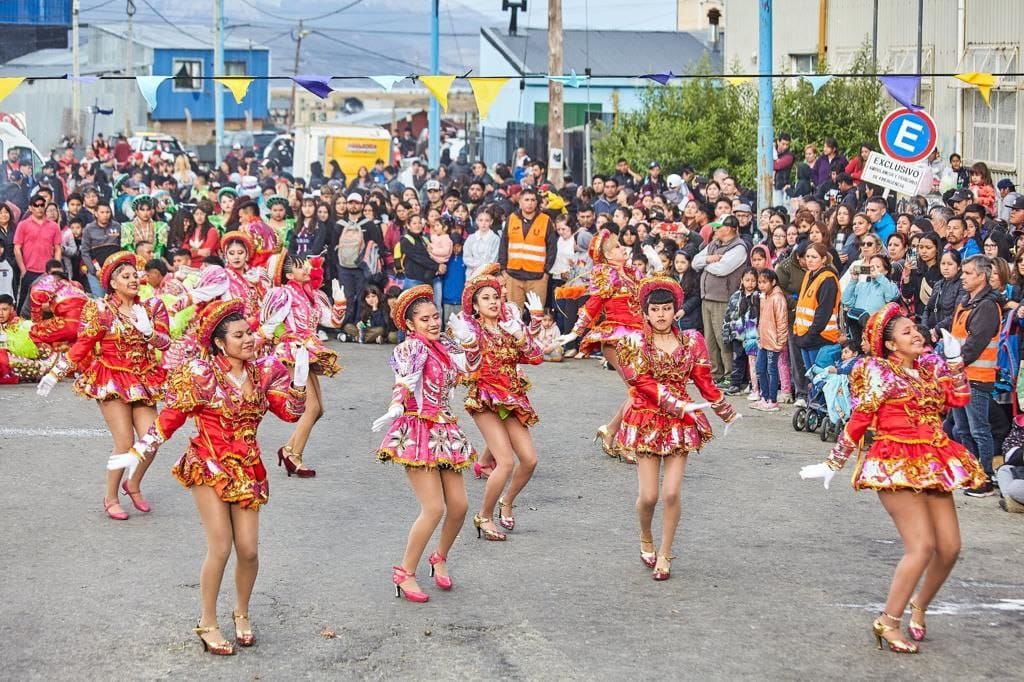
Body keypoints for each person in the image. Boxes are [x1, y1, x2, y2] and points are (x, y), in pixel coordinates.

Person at [113, 300, 307, 655]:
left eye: (249, 332)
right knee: (220, 546)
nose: (249, 339)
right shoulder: (201, 375)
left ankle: (242, 612)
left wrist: (297, 383)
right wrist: (140, 449)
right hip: (209, 463)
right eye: (239, 335)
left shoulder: (263, 371)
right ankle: (207, 622)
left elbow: (290, 414)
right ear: (220, 343)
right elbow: (170, 417)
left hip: (248, 467)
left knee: (248, 550)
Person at [800, 304, 986, 654]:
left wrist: (956, 362)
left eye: (915, 328)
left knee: (949, 548)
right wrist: (832, 463)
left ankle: (920, 605)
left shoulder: (930, 368)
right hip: (894, 460)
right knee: (921, 547)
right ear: (889, 345)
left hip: (933, 459)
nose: (916, 333)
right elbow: (859, 419)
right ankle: (888, 621)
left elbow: (959, 398)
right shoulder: (877, 371)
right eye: (905, 332)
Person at [614, 276, 739, 580]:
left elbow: (704, 382)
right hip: (646, 418)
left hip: (680, 423)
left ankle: (666, 554)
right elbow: (639, 382)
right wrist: (674, 402)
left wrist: (727, 412)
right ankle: (646, 536)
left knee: (671, 493)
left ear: (675, 311)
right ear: (645, 313)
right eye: (655, 309)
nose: (660, 314)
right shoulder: (634, 342)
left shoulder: (692, 341)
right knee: (649, 496)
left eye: (666, 308)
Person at [36, 251, 171, 520]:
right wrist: (55, 373)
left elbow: (166, 343)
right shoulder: (100, 310)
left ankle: (132, 484)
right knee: (124, 442)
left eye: (135, 274)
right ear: (112, 283)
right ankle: (110, 497)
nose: (133, 279)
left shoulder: (153, 308)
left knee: (152, 439)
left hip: (143, 377)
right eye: (126, 276)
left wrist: (149, 333)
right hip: (111, 377)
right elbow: (82, 346)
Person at [370, 285, 479, 602]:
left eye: (435, 316)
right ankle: (404, 572)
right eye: (424, 319)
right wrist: (396, 405)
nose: (433, 323)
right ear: (410, 324)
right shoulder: (410, 349)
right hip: (417, 429)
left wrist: (469, 340)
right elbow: (404, 380)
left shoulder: (444, 345)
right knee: (433, 508)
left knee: (459, 506)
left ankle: (440, 556)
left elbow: (470, 369)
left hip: (445, 430)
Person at [555, 230, 660, 461]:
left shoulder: (632, 273)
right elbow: (593, 304)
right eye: (616, 247)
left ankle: (611, 430)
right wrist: (574, 332)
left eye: (620, 245)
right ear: (608, 255)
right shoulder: (606, 274)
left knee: (642, 390)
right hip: (617, 338)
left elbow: (653, 292)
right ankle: (626, 443)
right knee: (639, 390)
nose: (622, 248)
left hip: (638, 337)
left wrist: (657, 264)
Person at [457, 270, 543, 542]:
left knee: (529, 460)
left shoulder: (510, 326)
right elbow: (466, 370)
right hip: (485, 399)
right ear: (475, 305)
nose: (493, 302)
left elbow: (536, 357)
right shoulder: (470, 331)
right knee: (505, 462)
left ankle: (507, 500)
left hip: (512, 398)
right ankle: (484, 515)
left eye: (496, 296)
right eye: (486, 298)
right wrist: (469, 346)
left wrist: (521, 333)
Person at [260, 254, 344, 478]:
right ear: (289, 275)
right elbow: (268, 325)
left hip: (309, 350)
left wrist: (340, 302)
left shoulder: (314, 296)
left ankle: (288, 450)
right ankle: (294, 455)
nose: (307, 269)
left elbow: (333, 322)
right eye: (300, 268)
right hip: (294, 351)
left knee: (319, 410)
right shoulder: (285, 294)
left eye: (306, 266)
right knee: (312, 408)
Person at [949, 255, 1002, 496]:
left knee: (979, 429)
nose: (963, 276)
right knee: (962, 428)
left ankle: (985, 478)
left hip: (977, 377)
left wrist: (955, 363)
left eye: (968, 273)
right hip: (961, 375)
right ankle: (970, 472)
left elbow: (975, 344)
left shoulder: (987, 306)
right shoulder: (967, 301)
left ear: (982, 276)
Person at [692, 216, 749, 384]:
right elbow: (695, 262)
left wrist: (705, 265)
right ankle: (715, 373)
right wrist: (709, 259)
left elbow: (723, 269)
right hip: (707, 297)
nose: (716, 230)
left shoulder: (739, 247)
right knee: (709, 338)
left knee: (723, 337)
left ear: (730, 228)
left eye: (719, 227)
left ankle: (730, 374)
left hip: (724, 299)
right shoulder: (714, 244)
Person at [498, 187, 557, 311]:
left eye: (533, 200)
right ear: (520, 201)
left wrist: (546, 273)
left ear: (537, 202)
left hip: (537, 277)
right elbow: (503, 244)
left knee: (537, 315)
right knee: (514, 315)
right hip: (513, 276)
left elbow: (552, 248)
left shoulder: (545, 220)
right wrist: (503, 270)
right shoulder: (511, 218)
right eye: (526, 200)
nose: (530, 203)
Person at [793, 242, 840, 368]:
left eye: (814, 257)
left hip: (820, 338)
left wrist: (809, 336)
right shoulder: (809, 274)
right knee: (811, 378)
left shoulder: (828, 279)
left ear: (823, 259)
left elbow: (823, 312)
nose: (810, 260)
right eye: (808, 257)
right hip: (805, 336)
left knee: (820, 380)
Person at [14, 195, 62, 314]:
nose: (40, 208)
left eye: (42, 205)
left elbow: (57, 248)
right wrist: (23, 269)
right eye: (36, 205)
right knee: (24, 302)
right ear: (30, 208)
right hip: (29, 270)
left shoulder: (54, 226)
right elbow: (17, 248)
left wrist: (57, 270)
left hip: (48, 272)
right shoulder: (23, 225)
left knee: (49, 302)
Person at [752, 269, 788, 412]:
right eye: (760, 282)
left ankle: (772, 400)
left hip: (774, 342)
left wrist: (780, 341)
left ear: (773, 282)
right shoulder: (764, 297)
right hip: (764, 340)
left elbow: (782, 321)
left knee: (771, 370)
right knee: (760, 369)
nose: (761, 285)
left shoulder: (778, 298)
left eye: (765, 282)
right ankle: (764, 397)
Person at [921, 250, 963, 344]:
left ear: (959, 266)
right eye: (943, 264)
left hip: (949, 336)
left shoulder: (962, 285)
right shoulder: (938, 284)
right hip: (932, 334)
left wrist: (936, 329)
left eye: (950, 264)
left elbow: (956, 314)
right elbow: (927, 309)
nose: (946, 268)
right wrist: (925, 330)